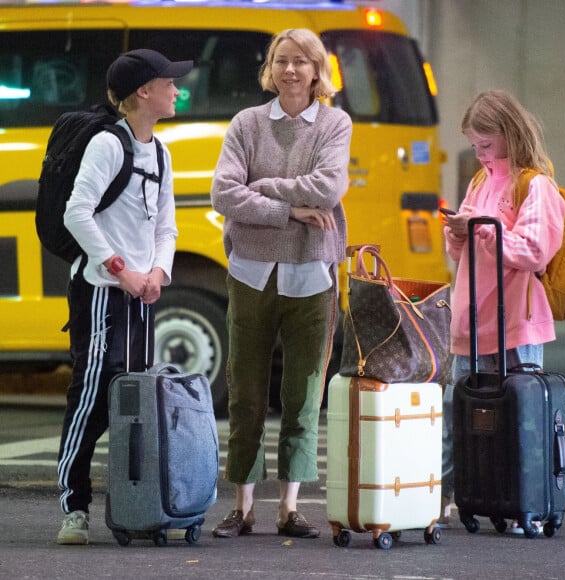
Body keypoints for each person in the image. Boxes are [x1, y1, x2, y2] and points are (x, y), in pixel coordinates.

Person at [210, 28, 352, 539]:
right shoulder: (247, 123)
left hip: (312, 274)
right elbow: (223, 193)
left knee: (303, 393)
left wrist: (261, 187)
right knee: (244, 392)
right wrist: (289, 208)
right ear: (269, 69)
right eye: (281, 60)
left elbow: (330, 186)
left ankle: (290, 507)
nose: (290, 70)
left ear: (318, 71)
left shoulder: (335, 123)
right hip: (250, 270)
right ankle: (242, 507)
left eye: (301, 62)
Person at [56, 49, 192, 544]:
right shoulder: (107, 145)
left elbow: (167, 225)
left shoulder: (161, 152)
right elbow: (77, 213)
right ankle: (74, 507)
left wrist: (157, 271)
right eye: (168, 83)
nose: (176, 90)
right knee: (92, 396)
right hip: (100, 291)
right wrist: (121, 270)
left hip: (141, 295)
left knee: (132, 401)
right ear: (143, 92)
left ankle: (135, 505)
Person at [440, 89, 565, 532]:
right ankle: (452, 499)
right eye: (474, 146)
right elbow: (461, 252)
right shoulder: (479, 181)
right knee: (459, 419)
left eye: (486, 145)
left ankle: (520, 500)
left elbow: (534, 251)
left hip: (518, 323)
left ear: (510, 135)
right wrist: (457, 232)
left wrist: (479, 229)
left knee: (518, 420)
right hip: (472, 320)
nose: (480, 154)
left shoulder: (536, 185)